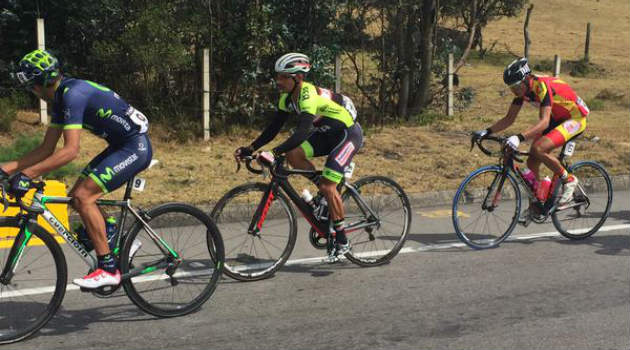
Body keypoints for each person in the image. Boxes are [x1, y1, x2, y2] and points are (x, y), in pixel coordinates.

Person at [4, 49, 152, 288]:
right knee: (75, 197)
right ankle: (114, 236)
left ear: (42, 82)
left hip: (135, 147)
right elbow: (46, 148)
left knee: (84, 197)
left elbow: (70, 151)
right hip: (120, 145)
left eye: (32, 86)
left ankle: (108, 269)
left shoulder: (73, 94)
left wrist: (27, 175)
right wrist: (7, 169)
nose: (32, 92)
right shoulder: (60, 100)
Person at [234, 52, 363, 261]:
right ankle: (324, 193)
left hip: (347, 134)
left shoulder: (307, 95)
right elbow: (274, 127)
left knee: (329, 187)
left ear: (298, 78)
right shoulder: (287, 98)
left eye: (284, 77)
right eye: (278, 76)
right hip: (326, 134)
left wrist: (274, 152)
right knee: (294, 155)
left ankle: (342, 240)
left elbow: (302, 132)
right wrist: (251, 148)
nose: (279, 81)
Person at [473, 57, 589, 207]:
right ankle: (538, 203)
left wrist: (519, 138)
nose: (514, 91)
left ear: (526, 79)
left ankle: (569, 179)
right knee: (532, 160)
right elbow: (509, 118)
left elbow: (544, 122)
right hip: (557, 118)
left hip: (576, 118)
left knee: (538, 148)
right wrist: (486, 131)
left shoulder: (541, 86)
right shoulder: (523, 91)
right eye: (511, 87)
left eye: (516, 86)